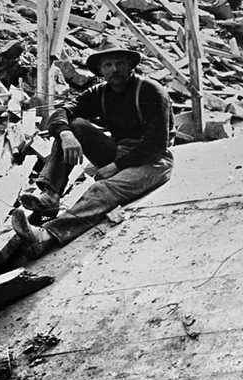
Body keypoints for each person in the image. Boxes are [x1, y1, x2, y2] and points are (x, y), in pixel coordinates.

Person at [12, 38, 174, 256]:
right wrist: (67, 134)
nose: (114, 69)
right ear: (100, 70)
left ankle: (45, 236)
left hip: (153, 160)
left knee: (102, 190)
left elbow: (156, 143)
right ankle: (50, 197)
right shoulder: (101, 93)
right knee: (74, 126)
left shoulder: (151, 91)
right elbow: (60, 113)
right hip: (118, 150)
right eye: (107, 65)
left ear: (130, 64)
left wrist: (116, 166)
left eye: (119, 63)